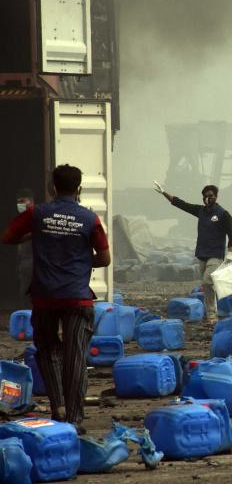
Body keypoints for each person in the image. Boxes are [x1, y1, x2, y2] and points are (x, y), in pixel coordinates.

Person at [2, 165, 111, 429]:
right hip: (77, 298)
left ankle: (58, 407)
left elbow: (8, 237)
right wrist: (82, 262)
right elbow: (105, 258)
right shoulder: (90, 219)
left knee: (48, 351)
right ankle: (74, 418)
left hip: (45, 297)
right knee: (75, 357)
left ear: (52, 188)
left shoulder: (37, 214)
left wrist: (35, 235)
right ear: (80, 189)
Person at [155, 182, 232, 323]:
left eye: (210, 196)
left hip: (216, 254)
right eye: (205, 196)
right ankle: (212, 314)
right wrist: (164, 193)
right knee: (207, 285)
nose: (208, 198)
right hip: (202, 253)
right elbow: (181, 204)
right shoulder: (201, 211)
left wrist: (230, 254)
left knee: (208, 281)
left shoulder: (223, 214)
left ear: (216, 197)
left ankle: (211, 315)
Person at [15, 188, 35, 301]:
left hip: (35, 265)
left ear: (31, 202)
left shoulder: (37, 217)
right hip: (24, 266)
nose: (20, 204)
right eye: (18, 202)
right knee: (23, 297)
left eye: (23, 201)